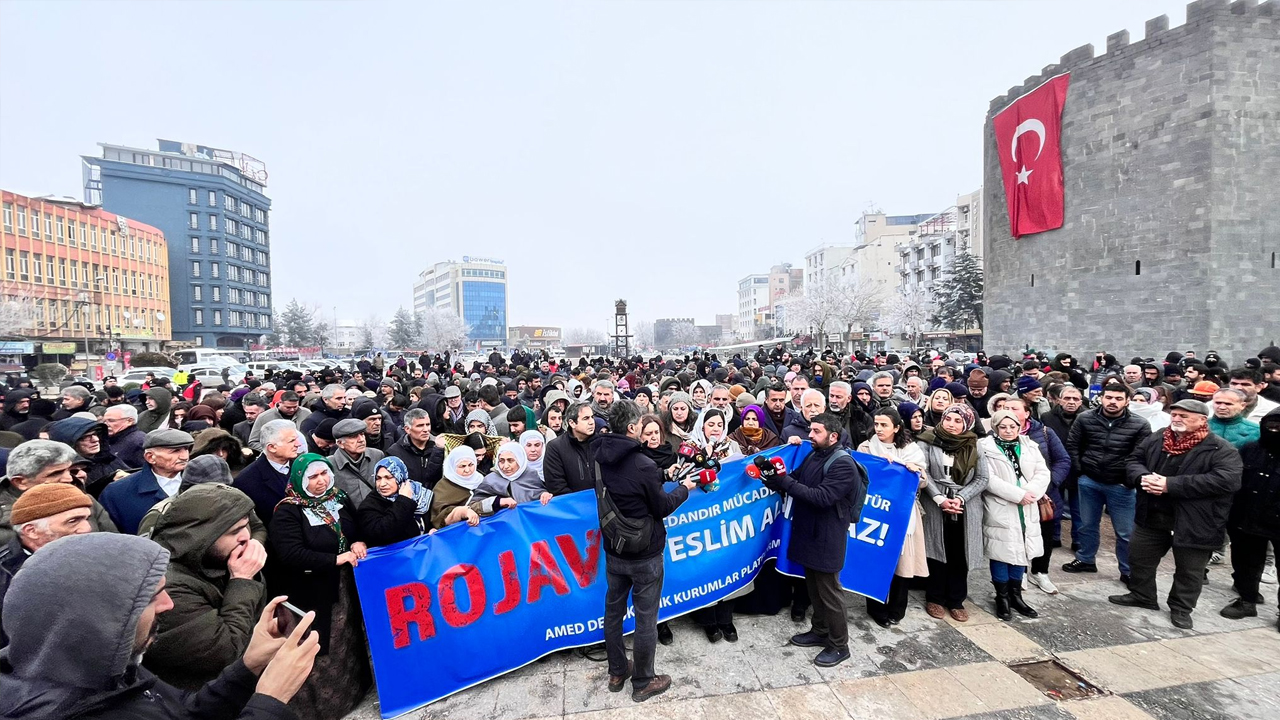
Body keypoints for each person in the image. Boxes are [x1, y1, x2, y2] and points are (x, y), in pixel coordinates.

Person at [0, 532, 321, 719]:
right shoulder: (66, 711)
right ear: (103, 615)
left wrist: (248, 667)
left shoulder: (110, 667)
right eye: (152, 597)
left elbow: (185, 712)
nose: (168, 604)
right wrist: (270, 699)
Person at [1107, 399, 1242, 629]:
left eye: (1184, 416)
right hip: (1153, 514)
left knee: (1190, 570)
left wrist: (1171, 485)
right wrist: (1142, 478)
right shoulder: (1159, 437)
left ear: (1202, 420)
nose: (1177, 419)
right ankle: (1142, 595)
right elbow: (1134, 460)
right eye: (1175, 414)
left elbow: (1227, 480)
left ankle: (1181, 608)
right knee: (1139, 558)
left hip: (1196, 520)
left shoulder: (1220, 448)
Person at [597, 400, 694, 702]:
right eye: (640, 424)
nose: (643, 428)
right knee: (645, 619)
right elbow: (661, 506)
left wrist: (663, 476)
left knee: (613, 612)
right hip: (645, 554)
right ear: (631, 428)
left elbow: (632, 487)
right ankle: (643, 681)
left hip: (614, 549)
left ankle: (616, 671)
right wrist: (684, 488)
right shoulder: (642, 463)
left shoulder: (600, 455)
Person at [269, 453, 371, 719]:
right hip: (312, 591)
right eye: (312, 476)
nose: (321, 481)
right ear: (299, 479)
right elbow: (290, 554)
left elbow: (355, 527)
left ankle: (355, 693)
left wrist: (357, 541)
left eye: (324, 474)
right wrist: (336, 559)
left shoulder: (338, 498)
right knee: (322, 648)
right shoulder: (288, 511)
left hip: (344, 585)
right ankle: (325, 710)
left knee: (349, 639)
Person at [761, 411, 866, 666]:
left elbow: (821, 497)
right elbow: (796, 480)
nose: (810, 435)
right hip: (808, 532)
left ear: (833, 436)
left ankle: (840, 645)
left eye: (816, 431)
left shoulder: (843, 463)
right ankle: (820, 630)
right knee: (813, 588)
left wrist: (784, 481)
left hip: (828, 536)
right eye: (811, 430)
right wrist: (774, 478)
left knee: (829, 592)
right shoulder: (815, 453)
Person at [143, 483, 268, 690]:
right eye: (235, 531)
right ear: (202, 537)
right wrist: (242, 580)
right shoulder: (169, 588)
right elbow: (224, 652)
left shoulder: (218, 559)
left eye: (245, 525)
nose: (246, 536)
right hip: (198, 696)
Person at [1063, 382, 1152, 585]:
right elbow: (1073, 446)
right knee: (1086, 525)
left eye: (1118, 398)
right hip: (1089, 481)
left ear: (1127, 401)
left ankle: (1128, 570)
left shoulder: (1140, 424)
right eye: (1109, 397)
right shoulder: (1085, 418)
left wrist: (1127, 481)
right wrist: (1080, 472)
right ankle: (1085, 559)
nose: (1113, 402)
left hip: (1121, 486)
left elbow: (1140, 455)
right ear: (1101, 398)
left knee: (1125, 532)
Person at [917, 403, 988, 622]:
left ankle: (956, 599)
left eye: (958, 421)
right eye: (948, 419)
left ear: (967, 423)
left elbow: (982, 478)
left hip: (965, 507)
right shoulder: (927, 441)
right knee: (938, 549)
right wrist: (940, 498)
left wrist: (960, 498)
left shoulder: (975, 445)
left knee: (960, 552)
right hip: (936, 503)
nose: (952, 425)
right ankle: (935, 597)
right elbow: (924, 473)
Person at [857, 408, 928, 627]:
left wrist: (913, 471)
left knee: (902, 562)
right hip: (875, 511)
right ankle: (876, 607)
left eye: (884, 425)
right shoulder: (866, 447)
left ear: (896, 428)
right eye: (876, 424)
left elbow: (923, 481)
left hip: (902, 512)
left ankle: (897, 608)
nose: (878, 429)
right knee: (875, 559)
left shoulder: (911, 450)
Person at [0, 482, 93, 645]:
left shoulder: (97, 555)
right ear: (32, 531)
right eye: (73, 521)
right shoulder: (4, 576)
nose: (86, 528)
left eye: (86, 518)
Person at [979, 410, 1051, 620]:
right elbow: (988, 478)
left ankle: (1016, 595)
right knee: (1001, 550)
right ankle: (1001, 596)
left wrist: (1032, 493)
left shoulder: (1030, 445)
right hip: (1002, 504)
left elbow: (1042, 471)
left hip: (1027, 505)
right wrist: (1018, 494)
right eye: (1003, 427)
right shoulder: (986, 448)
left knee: (1021, 549)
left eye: (1012, 427)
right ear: (996, 428)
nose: (1008, 431)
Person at [1221, 408, 1280, 626]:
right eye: (1270, 426)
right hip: (1246, 518)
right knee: (1246, 562)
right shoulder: (1250, 449)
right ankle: (1247, 600)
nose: (1273, 431)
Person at [99, 429, 195, 535]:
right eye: (175, 451)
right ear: (150, 457)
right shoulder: (116, 492)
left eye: (186, 449)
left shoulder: (202, 482)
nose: (184, 456)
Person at [233, 419, 302, 525]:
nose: (298, 444)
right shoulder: (246, 481)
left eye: (296, 439)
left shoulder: (303, 466)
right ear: (272, 447)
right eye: (292, 441)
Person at [357, 456, 431, 547]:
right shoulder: (369, 506)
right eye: (378, 478)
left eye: (388, 477)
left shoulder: (417, 493)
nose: (382, 484)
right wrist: (403, 501)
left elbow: (431, 520)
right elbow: (383, 532)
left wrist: (433, 530)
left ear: (400, 476)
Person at [47, 417, 129, 498]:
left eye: (95, 434)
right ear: (70, 442)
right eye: (85, 437)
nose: (95, 439)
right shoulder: (65, 471)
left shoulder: (109, 459)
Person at [429, 446, 492, 529]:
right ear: (453, 466)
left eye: (471, 465)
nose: (467, 470)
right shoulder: (443, 487)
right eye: (462, 466)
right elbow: (440, 517)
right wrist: (461, 512)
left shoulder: (482, 479)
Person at [474, 441, 552, 507]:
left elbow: (538, 493)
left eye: (510, 460)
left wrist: (544, 494)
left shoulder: (531, 475)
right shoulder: (490, 480)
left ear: (520, 460)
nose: (505, 466)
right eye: (501, 461)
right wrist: (498, 501)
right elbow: (474, 505)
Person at [328, 418, 385, 506]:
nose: (361, 440)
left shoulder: (377, 455)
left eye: (362, 434)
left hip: (376, 514)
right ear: (340, 443)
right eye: (353, 437)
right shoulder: (329, 465)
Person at [544, 402, 596, 496]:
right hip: (573, 506)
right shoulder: (556, 448)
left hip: (604, 506)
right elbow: (556, 486)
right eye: (586, 418)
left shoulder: (600, 443)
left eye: (592, 417)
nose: (591, 422)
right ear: (572, 423)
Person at [385, 408, 445, 488]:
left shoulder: (439, 448)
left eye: (428, 424)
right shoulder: (394, 453)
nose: (426, 430)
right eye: (420, 426)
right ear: (407, 429)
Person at [104, 403, 147, 469]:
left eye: (111, 421)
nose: (106, 425)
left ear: (129, 421)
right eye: (104, 421)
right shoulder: (107, 439)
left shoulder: (139, 442)